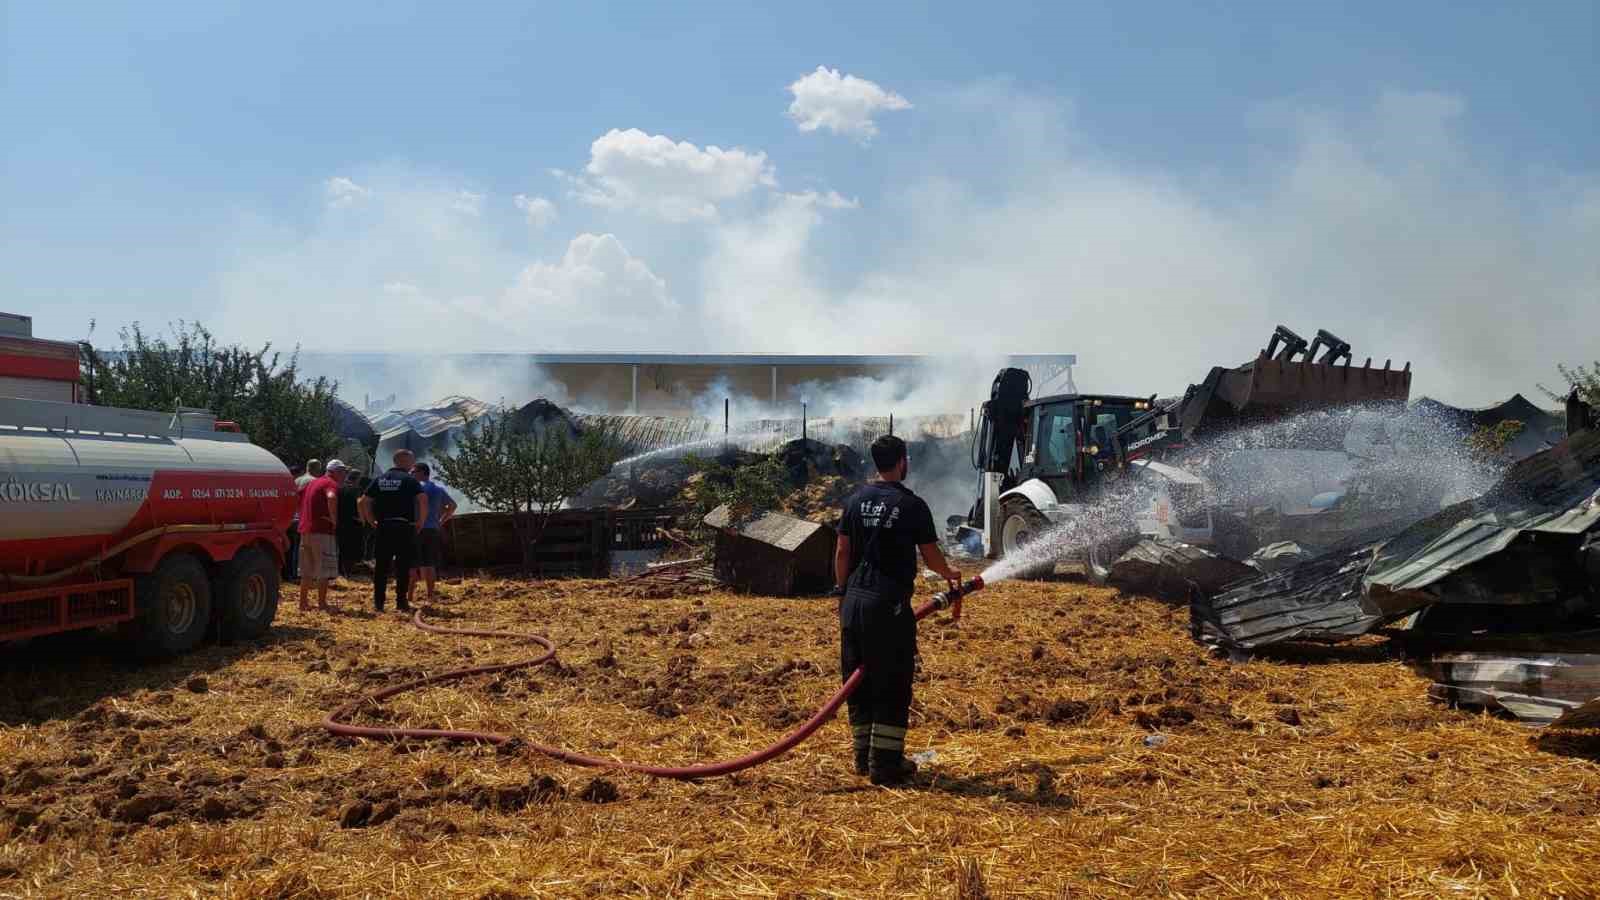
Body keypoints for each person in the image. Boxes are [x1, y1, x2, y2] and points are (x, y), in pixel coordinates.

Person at [833, 434, 962, 786]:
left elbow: (842, 552)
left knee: (857, 682)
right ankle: (885, 765)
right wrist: (950, 574)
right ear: (902, 461)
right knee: (891, 682)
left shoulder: (856, 500)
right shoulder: (912, 505)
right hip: (886, 604)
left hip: (853, 601)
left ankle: (863, 757)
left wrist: (841, 595)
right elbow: (931, 555)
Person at [359, 450, 428, 614]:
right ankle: (401, 603)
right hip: (404, 526)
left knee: (381, 566)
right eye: (411, 460)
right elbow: (423, 499)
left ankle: (379, 603)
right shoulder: (409, 480)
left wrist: (371, 520)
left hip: (383, 527)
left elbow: (364, 501)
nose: (413, 464)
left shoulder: (380, 479)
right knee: (402, 566)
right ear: (405, 461)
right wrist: (420, 522)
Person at [298, 459, 348, 612]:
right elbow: (331, 497)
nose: (345, 476)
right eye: (343, 472)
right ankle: (322, 604)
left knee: (306, 570)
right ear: (335, 472)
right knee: (324, 569)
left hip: (306, 530)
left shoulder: (313, 482)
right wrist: (334, 521)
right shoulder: (330, 484)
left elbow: (298, 497)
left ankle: (303, 603)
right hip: (322, 531)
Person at [407, 462, 457, 605]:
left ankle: (409, 597)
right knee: (429, 564)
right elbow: (452, 506)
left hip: (416, 529)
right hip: (432, 530)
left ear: (422, 472)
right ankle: (430, 596)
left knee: (412, 565)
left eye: (413, 472)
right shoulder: (438, 489)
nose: (411, 474)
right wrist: (440, 521)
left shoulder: (414, 489)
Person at [336, 472, 366, 577]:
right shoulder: (356, 490)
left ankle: (340, 571)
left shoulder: (339, 489)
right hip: (354, 522)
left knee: (342, 547)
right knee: (352, 548)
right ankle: (348, 572)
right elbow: (359, 503)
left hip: (341, 522)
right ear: (357, 479)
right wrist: (362, 519)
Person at [284, 463, 306, 581]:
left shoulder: (284, 485)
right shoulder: (296, 486)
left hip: (285, 521)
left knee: (287, 549)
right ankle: (292, 574)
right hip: (295, 520)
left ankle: (285, 574)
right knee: (294, 550)